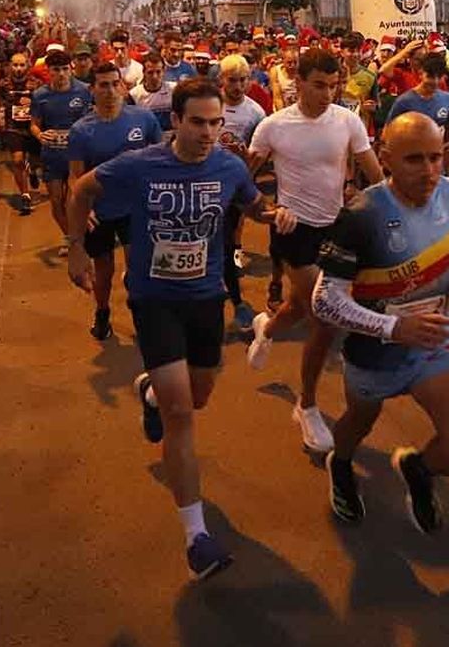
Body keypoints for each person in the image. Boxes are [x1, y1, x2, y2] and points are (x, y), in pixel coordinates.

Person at [65, 79, 289, 579]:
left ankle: (148, 394)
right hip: (153, 299)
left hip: (206, 298)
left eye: (215, 123)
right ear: (175, 121)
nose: (209, 132)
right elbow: (82, 190)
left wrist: (277, 216)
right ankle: (197, 537)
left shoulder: (229, 166)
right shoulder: (142, 165)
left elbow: (253, 204)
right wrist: (75, 246)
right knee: (183, 414)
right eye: (198, 122)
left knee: (201, 393)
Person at [311, 112, 449, 534]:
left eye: (436, 158)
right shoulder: (361, 214)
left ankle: (417, 468)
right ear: (385, 158)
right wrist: (392, 328)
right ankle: (342, 463)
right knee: (358, 424)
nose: (429, 172)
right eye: (414, 160)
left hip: (434, 343)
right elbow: (324, 300)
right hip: (374, 354)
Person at [244, 48, 384, 455]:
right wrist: (270, 212)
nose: (327, 93)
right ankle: (306, 406)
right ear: (298, 81)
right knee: (324, 318)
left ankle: (266, 328)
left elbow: (374, 176)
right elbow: (243, 185)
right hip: (294, 232)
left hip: (336, 229)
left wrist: (399, 210)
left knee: (300, 306)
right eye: (319, 85)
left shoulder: (348, 121)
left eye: (333, 84)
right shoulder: (273, 127)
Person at [66, 61, 164, 341]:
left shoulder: (143, 120)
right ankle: (102, 311)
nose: (110, 90)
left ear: (123, 85)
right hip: (100, 212)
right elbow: (75, 178)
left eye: (114, 84)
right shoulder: (81, 131)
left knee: (138, 267)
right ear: (92, 90)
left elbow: (159, 160)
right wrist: (83, 211)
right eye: (103, 85)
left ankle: (142, 316)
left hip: (136, 209)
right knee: (104, 272)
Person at [217, 55, 267, 331]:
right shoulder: (210, 103)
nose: (237, 86)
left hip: (235, 186)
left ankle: (236, 302)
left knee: (226, 240)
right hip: (202, 183)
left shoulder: (256, 113)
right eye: (232, 80)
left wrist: (244, 156)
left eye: (242, 80)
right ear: (221, 80)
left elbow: (258, 159)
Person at [30, 49, 94, 251]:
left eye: (65, 69)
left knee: (73, 200)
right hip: (52, 155)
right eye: (56, 70)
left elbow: (94, 117)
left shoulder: (84, 90)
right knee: (56, 202)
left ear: (71, 68)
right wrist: (40, 135)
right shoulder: (40, 95)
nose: (61, 74)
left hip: (77, 156)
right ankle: (70, 237)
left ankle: (78, 238)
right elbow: (34, 124)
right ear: (48, 71)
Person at [0, 50, 38, 213]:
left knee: (33, 159)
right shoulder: (3, 84)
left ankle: (31, 169)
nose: (18, 68)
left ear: (27, 66)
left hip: (32, 127)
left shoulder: (35, 84)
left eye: (21, 65)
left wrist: (32, 101)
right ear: (10, 66)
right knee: (17, 160)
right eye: (15, 65)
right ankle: (25, 194)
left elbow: (44, 102)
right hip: (12, 127)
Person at [129, 52, 175, 124]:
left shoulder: (173, 89)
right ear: (144, 72)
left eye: (158, 72)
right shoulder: (134, 94)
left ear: (164, 71)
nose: (154, 77)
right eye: (150, 72)